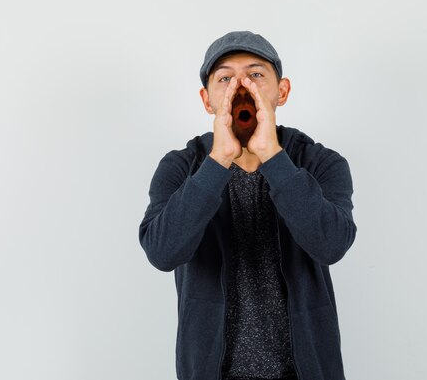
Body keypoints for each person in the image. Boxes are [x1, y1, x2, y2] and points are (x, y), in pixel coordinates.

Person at [138, 31, 357, 380]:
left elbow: (330, 244)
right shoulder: (181, 166)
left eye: (255, 75)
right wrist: (218, 161)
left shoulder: (320, 163)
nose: (241, 88)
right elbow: (163, 252)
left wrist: (272, 155)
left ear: (281, 91)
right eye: (225, 78)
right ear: (207, 99)